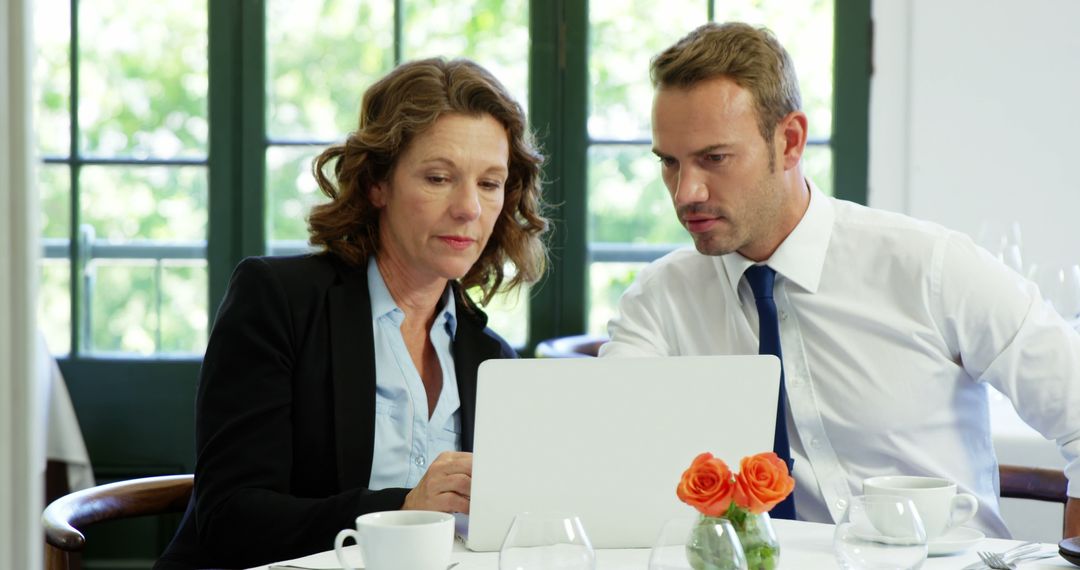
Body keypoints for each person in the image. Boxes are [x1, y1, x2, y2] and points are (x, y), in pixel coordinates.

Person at [600, 21, 1080, 538]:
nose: (686, 191)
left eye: (713, 158)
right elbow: (610, 453)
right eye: (669, 163)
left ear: (789, 141)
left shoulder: (929, 267)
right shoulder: (658, 301)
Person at [155, 57, 548, 569]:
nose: (469, 208)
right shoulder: (277, 301)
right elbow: (231, 519)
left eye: (490, 183)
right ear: (375, 184)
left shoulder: (491, 357)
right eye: (438, 177)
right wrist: (402, 509)